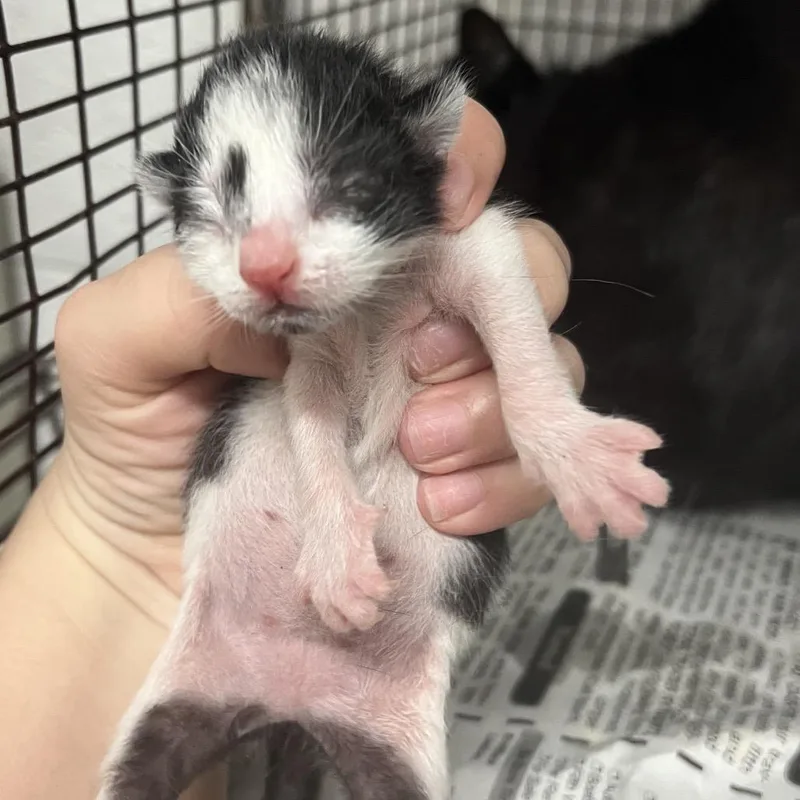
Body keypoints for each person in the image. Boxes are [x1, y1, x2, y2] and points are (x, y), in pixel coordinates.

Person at [0, 99, 581, 799]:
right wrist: (107, 543)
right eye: (218, 220)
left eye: (343, 190)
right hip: (229, 574)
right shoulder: (235, 355)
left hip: (383, 594)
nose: (267, 263)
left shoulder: (441, 234)